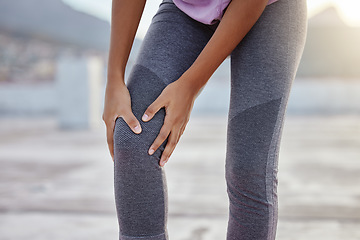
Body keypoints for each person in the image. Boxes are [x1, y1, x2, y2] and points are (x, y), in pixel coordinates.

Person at [102, 0, 307, 239]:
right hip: (187, 8)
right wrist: (114, 78)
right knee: (132, 138)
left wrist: (190, 85)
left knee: (249, 170)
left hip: (270, 9)